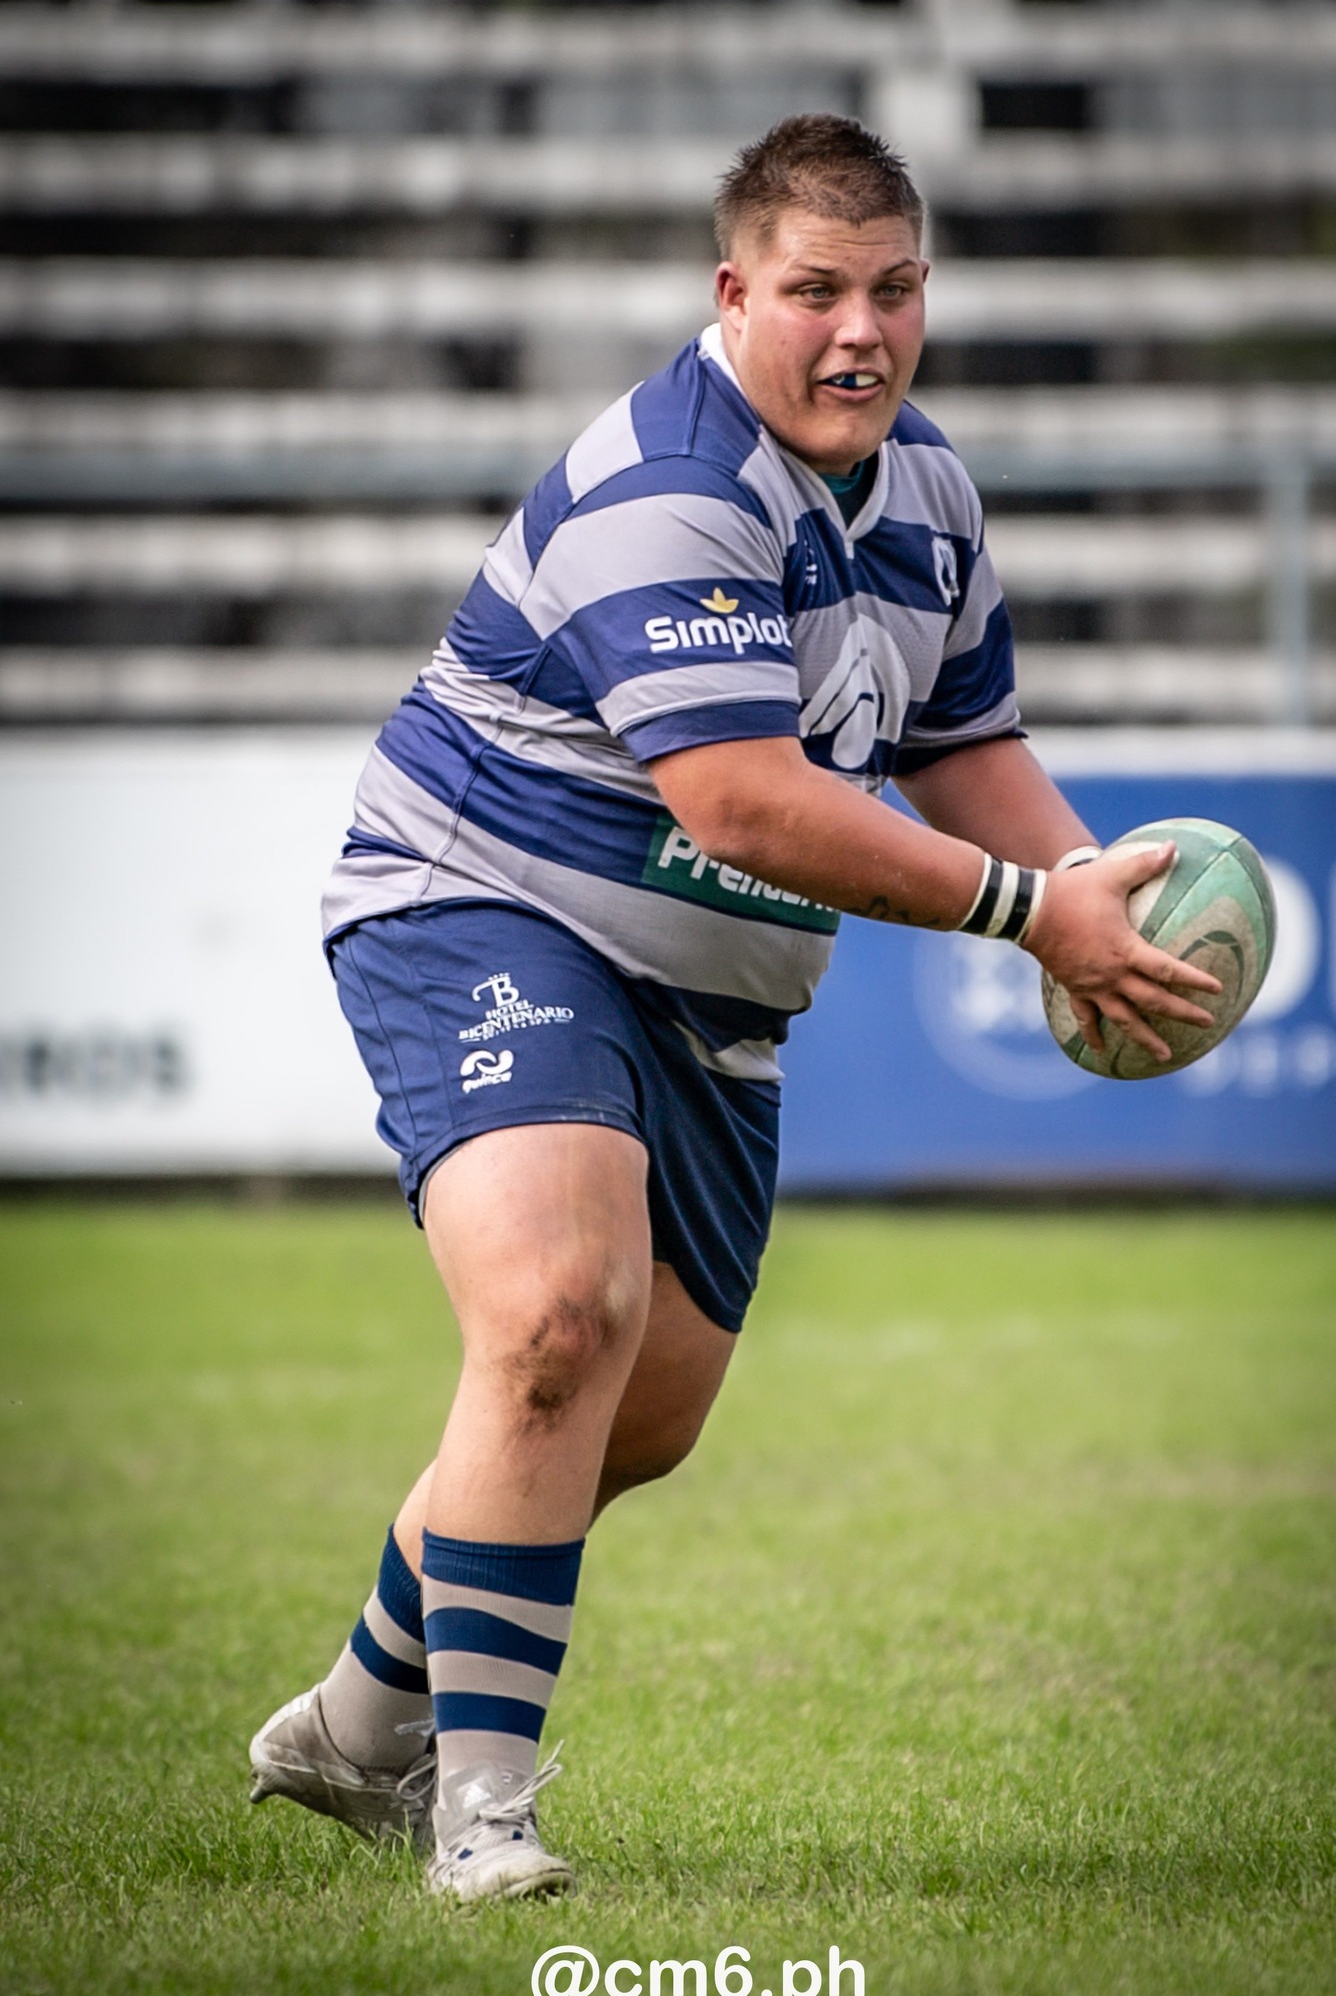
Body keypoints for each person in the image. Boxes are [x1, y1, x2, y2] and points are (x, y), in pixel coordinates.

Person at [247, 113, 1219, 1903]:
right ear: (733, 294)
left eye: (896, 289)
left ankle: (359, 1716)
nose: (862, 330)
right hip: (488, 902)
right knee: (554, 1314)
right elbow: (744, 800)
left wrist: (1105, 906)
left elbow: (963, 745)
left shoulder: (925, 495)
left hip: (716, 992)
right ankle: (478, 1817)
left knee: (635, 1415)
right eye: (816, 291)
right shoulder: (669, 482)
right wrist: (1031, 919)